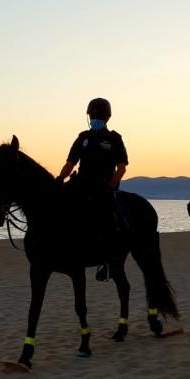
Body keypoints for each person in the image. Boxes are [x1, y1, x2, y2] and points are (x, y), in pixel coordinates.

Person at [58, 97, 129, 281]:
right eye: (93, 115)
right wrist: (59, 179)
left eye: (99, 116)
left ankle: (107, 259)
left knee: (108, 217)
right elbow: (70, 163)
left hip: (104, 186)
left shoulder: (114, 139)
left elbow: (121, 168)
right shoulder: (83, 138)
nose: (95, 118)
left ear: (107, 118)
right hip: (80, 183)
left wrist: (111, 186)